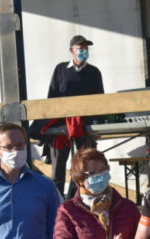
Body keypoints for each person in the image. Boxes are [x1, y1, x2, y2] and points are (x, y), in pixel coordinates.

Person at [45, 35, 105, 192]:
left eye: (86, 48)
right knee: (58, 164)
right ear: (72, 51)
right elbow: (52, 96)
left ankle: (76, 196)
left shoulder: (94, 72)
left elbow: (100, 100)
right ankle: (57, 199)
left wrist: (97, 127)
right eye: (80, 48)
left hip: (85, 126)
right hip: (62, 125)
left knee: (84, 165)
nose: (84, 51)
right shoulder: (60, 69)